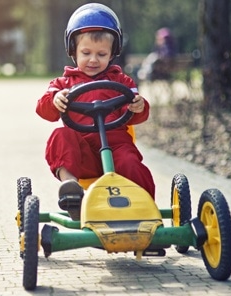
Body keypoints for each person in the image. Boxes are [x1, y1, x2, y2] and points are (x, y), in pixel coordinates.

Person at [36, 3, 155, 220]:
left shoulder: (121, 81)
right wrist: (55, 100)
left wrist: (139, 105)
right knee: (60, 136)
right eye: (86, 52)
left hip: (116, 146)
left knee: (132, 163)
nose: (93, 59)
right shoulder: (63, 83)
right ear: (73, 50)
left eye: (101, 54)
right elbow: (44, 110)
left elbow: (140, 112)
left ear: (112, 53)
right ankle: (71, 189)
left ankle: (148, 214)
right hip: (82, 154)